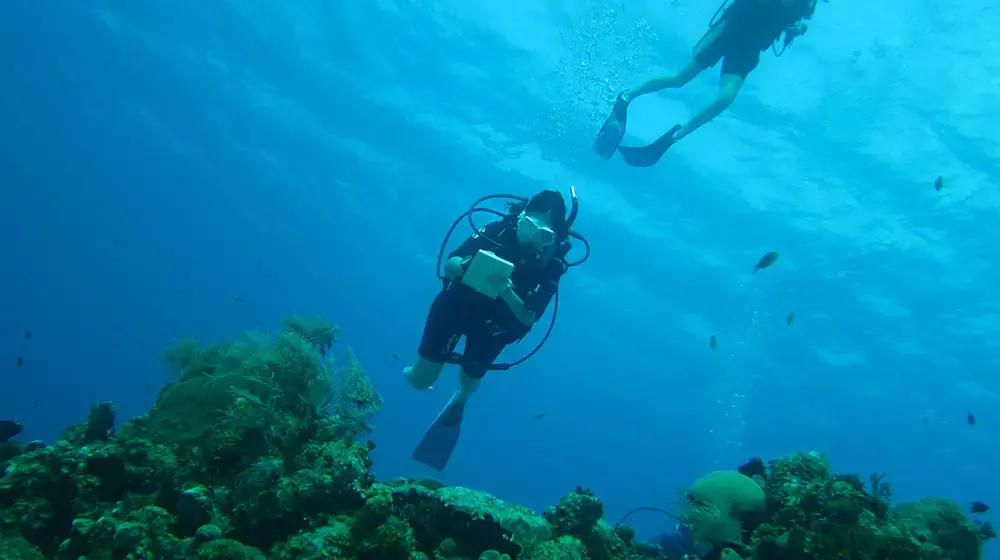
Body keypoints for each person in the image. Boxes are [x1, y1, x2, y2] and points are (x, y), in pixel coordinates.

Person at [405, 189, 571, 470]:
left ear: (553, 238)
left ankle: (461, 399)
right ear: (520, 216)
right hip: (457, 306)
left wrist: (507, 293)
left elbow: (529, 319)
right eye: (529, 225)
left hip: (495, 327)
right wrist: (469, 265)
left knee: (471, 376)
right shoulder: (496, 230)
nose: (531, 237)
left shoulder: (551, 266)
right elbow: (450, 263)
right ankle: (414, 370)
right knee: (420, 382)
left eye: (543, 234)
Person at [593, 0, 823, 167]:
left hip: (749, 48)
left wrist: (797, 28)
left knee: (725, 99)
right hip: (730, 29)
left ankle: (673, 138)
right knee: (680, 79)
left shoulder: (808, 4)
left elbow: (792, 22)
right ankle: (627, 97)